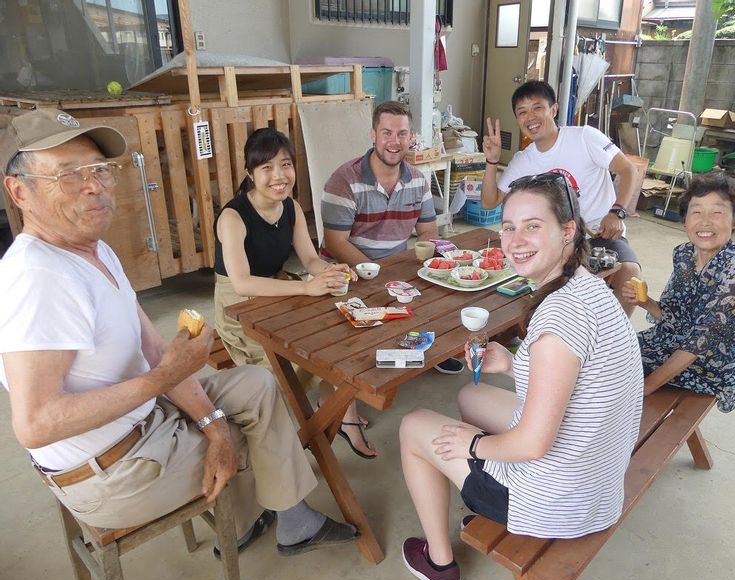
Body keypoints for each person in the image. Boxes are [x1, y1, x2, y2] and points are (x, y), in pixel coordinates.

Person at [0, 109, 358, 561]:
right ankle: (270, 519)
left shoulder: (96, 252)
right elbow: (35, 424)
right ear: (19, 192)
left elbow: (156, 351)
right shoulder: (36, 276)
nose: (93, 186)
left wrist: (211, 424)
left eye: (99, 170)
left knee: (261, 387)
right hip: (114, 470)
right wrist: (175, 392)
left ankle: (269, 518)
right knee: (271, 431)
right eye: (68, 175)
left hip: (147, 420)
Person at [399, 173, 643, 580]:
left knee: (412, 425)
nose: (516, 240)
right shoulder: (588, 287)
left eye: (533, 226)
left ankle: (439, 562)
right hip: (595, 478)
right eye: (509, 227)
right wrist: (512, 364)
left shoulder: (556, 320)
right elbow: (575, 377)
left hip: (558, 502)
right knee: (470, 394)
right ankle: (477, 490)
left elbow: (532, 445)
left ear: (567, 231)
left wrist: (473, 445)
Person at [213, 127, 375, 459]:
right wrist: (305, 286)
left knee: (337, 330)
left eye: (285, 165)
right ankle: (301, 423)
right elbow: (242, 282)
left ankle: (333, 410)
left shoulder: (292, 206)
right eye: (267, 168)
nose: (279, 176)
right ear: (250, 174)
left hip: (279, 288)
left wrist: (328, 273)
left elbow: (311, 258)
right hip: (239, 304)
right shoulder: (233, 216)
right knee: (288, 356)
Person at [321, 100, 464, 375]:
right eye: (386, 133)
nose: (394, 141)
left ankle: (431, 349)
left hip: (395, 267)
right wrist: (378, 275)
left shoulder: (418, 180)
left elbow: (427, 231)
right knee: (355, 333)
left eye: (401, 134)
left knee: (439, 287)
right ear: (373, 135)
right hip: (347, 270)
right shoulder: (344, 180)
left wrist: (429, 261)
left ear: (411, 138)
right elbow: (334, 243)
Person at [481, 80, 641, 314]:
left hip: (599, 234)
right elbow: (489, 201)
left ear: (553, 109)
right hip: (551, 240)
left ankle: (610, 336)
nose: (530, 117)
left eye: (537, 108)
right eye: (522, 112)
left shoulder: (584, 137)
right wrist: (492, 160)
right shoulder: (523, 159)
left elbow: (628, 170)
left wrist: (617, 211)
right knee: (517, 283)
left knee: (629, 274)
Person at [621, 174, 735, 412]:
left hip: (721, 362)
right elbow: (678, 319)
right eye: (696, 212)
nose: (705, 222)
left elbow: (704, 340)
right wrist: (645, 302)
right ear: (685, 221)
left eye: (717, 213)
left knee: (617, 375)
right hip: (681, 340)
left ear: (734, 221)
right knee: (607, 352)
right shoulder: (683, 255)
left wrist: (645, 388)